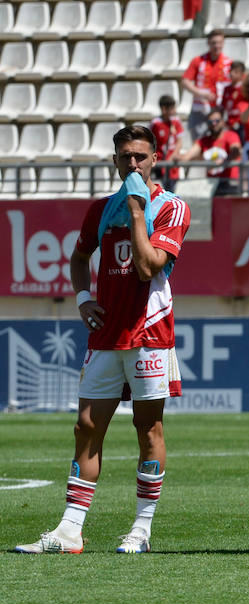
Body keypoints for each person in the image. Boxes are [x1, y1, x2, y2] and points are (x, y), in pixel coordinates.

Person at [14, 126, 191, 555]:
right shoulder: (99, 209)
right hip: (105, 334)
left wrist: (136, 211)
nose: (133, 164)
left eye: (141, 157)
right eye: (126, 156)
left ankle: (141, 530)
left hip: (150, 334)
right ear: (114, 159)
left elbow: (149, 268)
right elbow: (79, 257)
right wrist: (82, 298)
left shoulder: (170, 208)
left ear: (155, 159)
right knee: (86, 427)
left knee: (147, 428)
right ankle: (69, 531)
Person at [180, 30, 231, 141]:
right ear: (208, 43)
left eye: (219, 42)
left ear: (223, 43)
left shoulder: (228, 63)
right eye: (213, 43)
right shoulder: (198, 61)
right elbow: (185, 81)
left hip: (220, 108)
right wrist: (201, 93)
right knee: (199, 141)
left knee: (220, 140)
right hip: (201, 108)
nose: (217, 46)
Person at [149, 94, 191, 192]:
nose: (175, 111)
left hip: (172, 163)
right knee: (160, 191)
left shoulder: (176, 121)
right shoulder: (155, 124)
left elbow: (179, 142)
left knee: (172, 190)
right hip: (160, 163)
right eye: (172, 108)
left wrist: (172, 156)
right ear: (164, 109)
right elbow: (150, 142)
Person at [199, 108, 243, 197]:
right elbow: (189, 155)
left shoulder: (231, 135)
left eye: (217, 121)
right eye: (211, 122)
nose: (214, 124)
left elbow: (236, 150)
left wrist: (225, 160)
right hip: (212, 186)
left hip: (229, 185)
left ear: (223, 122)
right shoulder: (204, 140)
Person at [221, 60, 247, 136]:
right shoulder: (227, 89)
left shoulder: (244, 89)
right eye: (231, 71)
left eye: (236, 72)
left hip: (241, 123)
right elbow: (223, 106)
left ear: (242, 74)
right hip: (229, 123)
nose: (232, 74)